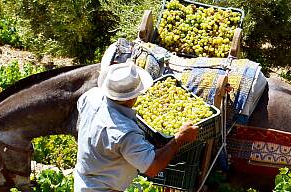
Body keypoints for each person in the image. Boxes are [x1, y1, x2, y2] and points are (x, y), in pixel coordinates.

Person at [74, 62, 200, 192]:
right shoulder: (125, 133)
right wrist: (179, 138)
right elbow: (153, 167)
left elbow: (80, 113)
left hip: (83, 181)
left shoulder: (91, 96)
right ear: (132, 98)